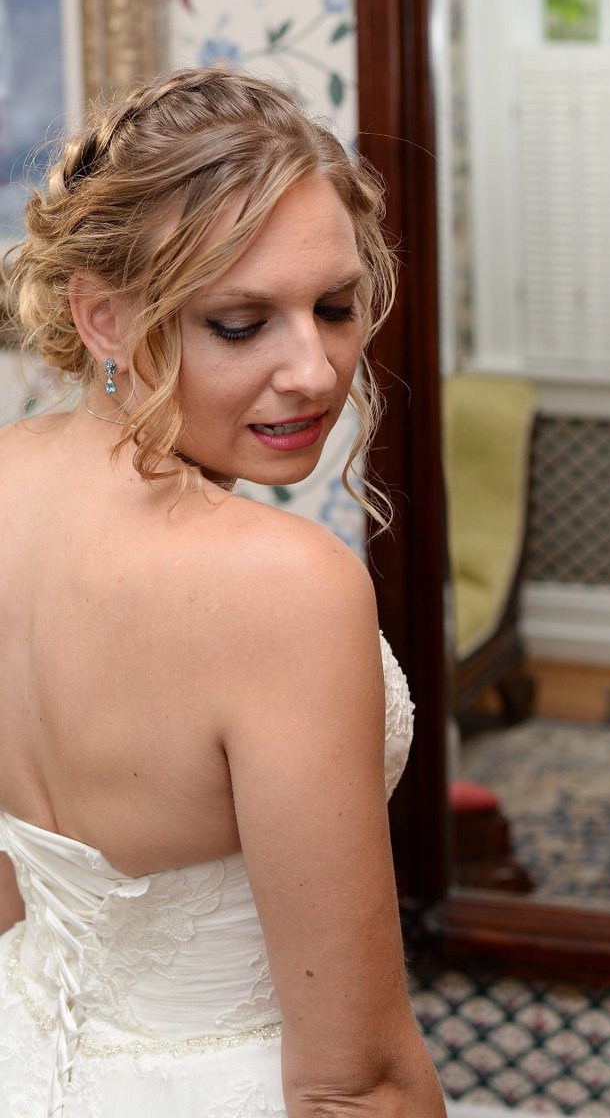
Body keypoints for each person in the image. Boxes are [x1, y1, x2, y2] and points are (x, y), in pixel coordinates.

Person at [0, 67, 446, 1117]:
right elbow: (356, 1084)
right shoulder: (286, 589)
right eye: (242, 325)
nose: (316, 370)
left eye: (336, 307)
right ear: (103, 318)